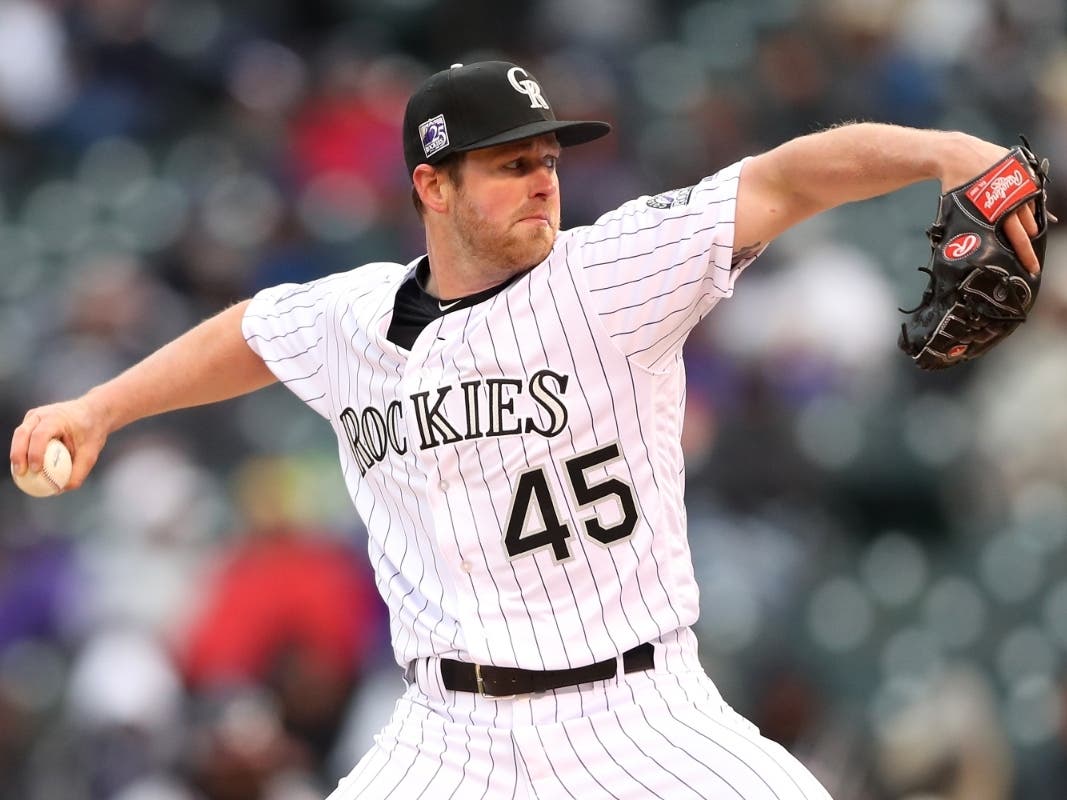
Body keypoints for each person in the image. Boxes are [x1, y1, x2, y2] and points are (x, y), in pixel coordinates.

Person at [9, 60, 1043, 799]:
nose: (543, 176)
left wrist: (952, 151)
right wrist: (101, 405)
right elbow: (247, 331)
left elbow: (784, 176)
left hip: (637, 715)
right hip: (443, 735)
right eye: (507, 163)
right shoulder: (349, 318)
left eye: (546, 155)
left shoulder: (608, 274)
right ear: (431, 184)